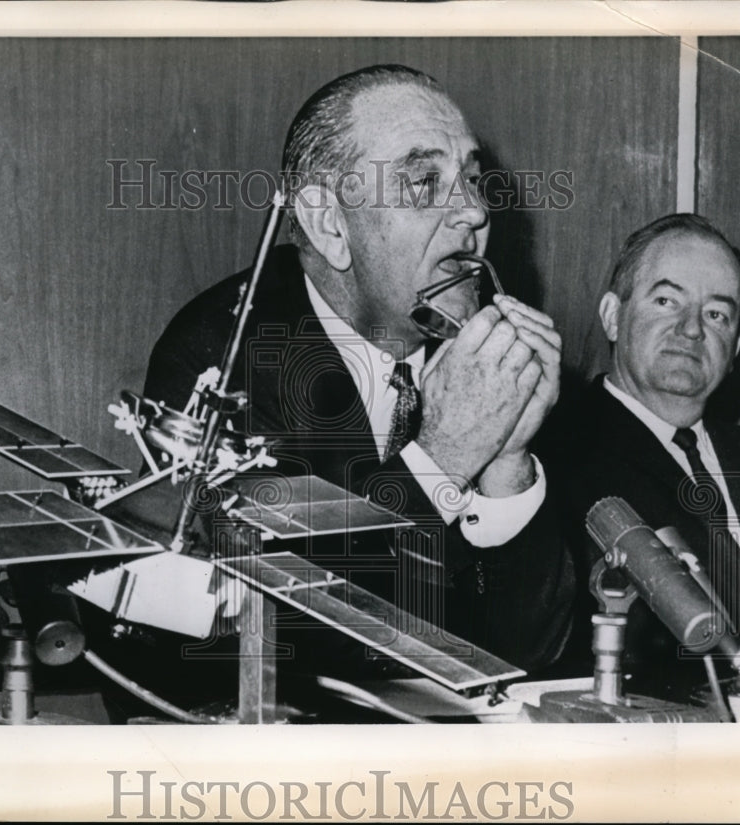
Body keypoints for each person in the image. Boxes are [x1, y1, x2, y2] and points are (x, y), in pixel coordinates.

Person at [143, 64, 575, 677]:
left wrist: (508, 461)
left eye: (473, 181)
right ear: (329, 223)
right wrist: (442, 461)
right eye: (424, 182)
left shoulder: (480, 361)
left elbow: (531, 657)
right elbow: (264, 651)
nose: (476, 213)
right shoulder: (226, 357)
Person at [555, 213, 740, 699]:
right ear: (612, 315)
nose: (691, 329)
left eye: (716, 314)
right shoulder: (556, 451)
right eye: (667, 301)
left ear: (734, 348)